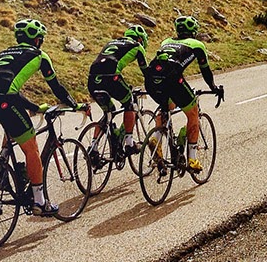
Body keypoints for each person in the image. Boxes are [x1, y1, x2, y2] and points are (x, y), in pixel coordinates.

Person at [0, 18, 79, 216]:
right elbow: (55, 86)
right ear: (37, 40)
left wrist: (32, 106)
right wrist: (72, 104)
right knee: (32, 149)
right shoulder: (39, 55)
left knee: (10, 123)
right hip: (6, 100)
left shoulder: (4, 52)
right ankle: (39, 202)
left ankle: (2, 161)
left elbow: (3, 84)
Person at [145, 16, 223, 173]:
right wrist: (213, 87)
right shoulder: (197, 44)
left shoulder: (166, 41)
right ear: (194, 31)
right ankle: (192, 159)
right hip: (172, 78)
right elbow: (205, 70)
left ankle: (156, 139)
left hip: (151, 78)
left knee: (167, 107)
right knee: (193, 113)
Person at [87, 25, 150, 155]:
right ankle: (129, 143)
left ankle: (93, 147)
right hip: (111, 78)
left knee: (108, 112)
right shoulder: (137, 46)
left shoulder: (112, 42)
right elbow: (146, 73)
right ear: (140, 39)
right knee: (130, 103)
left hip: (92, 79)